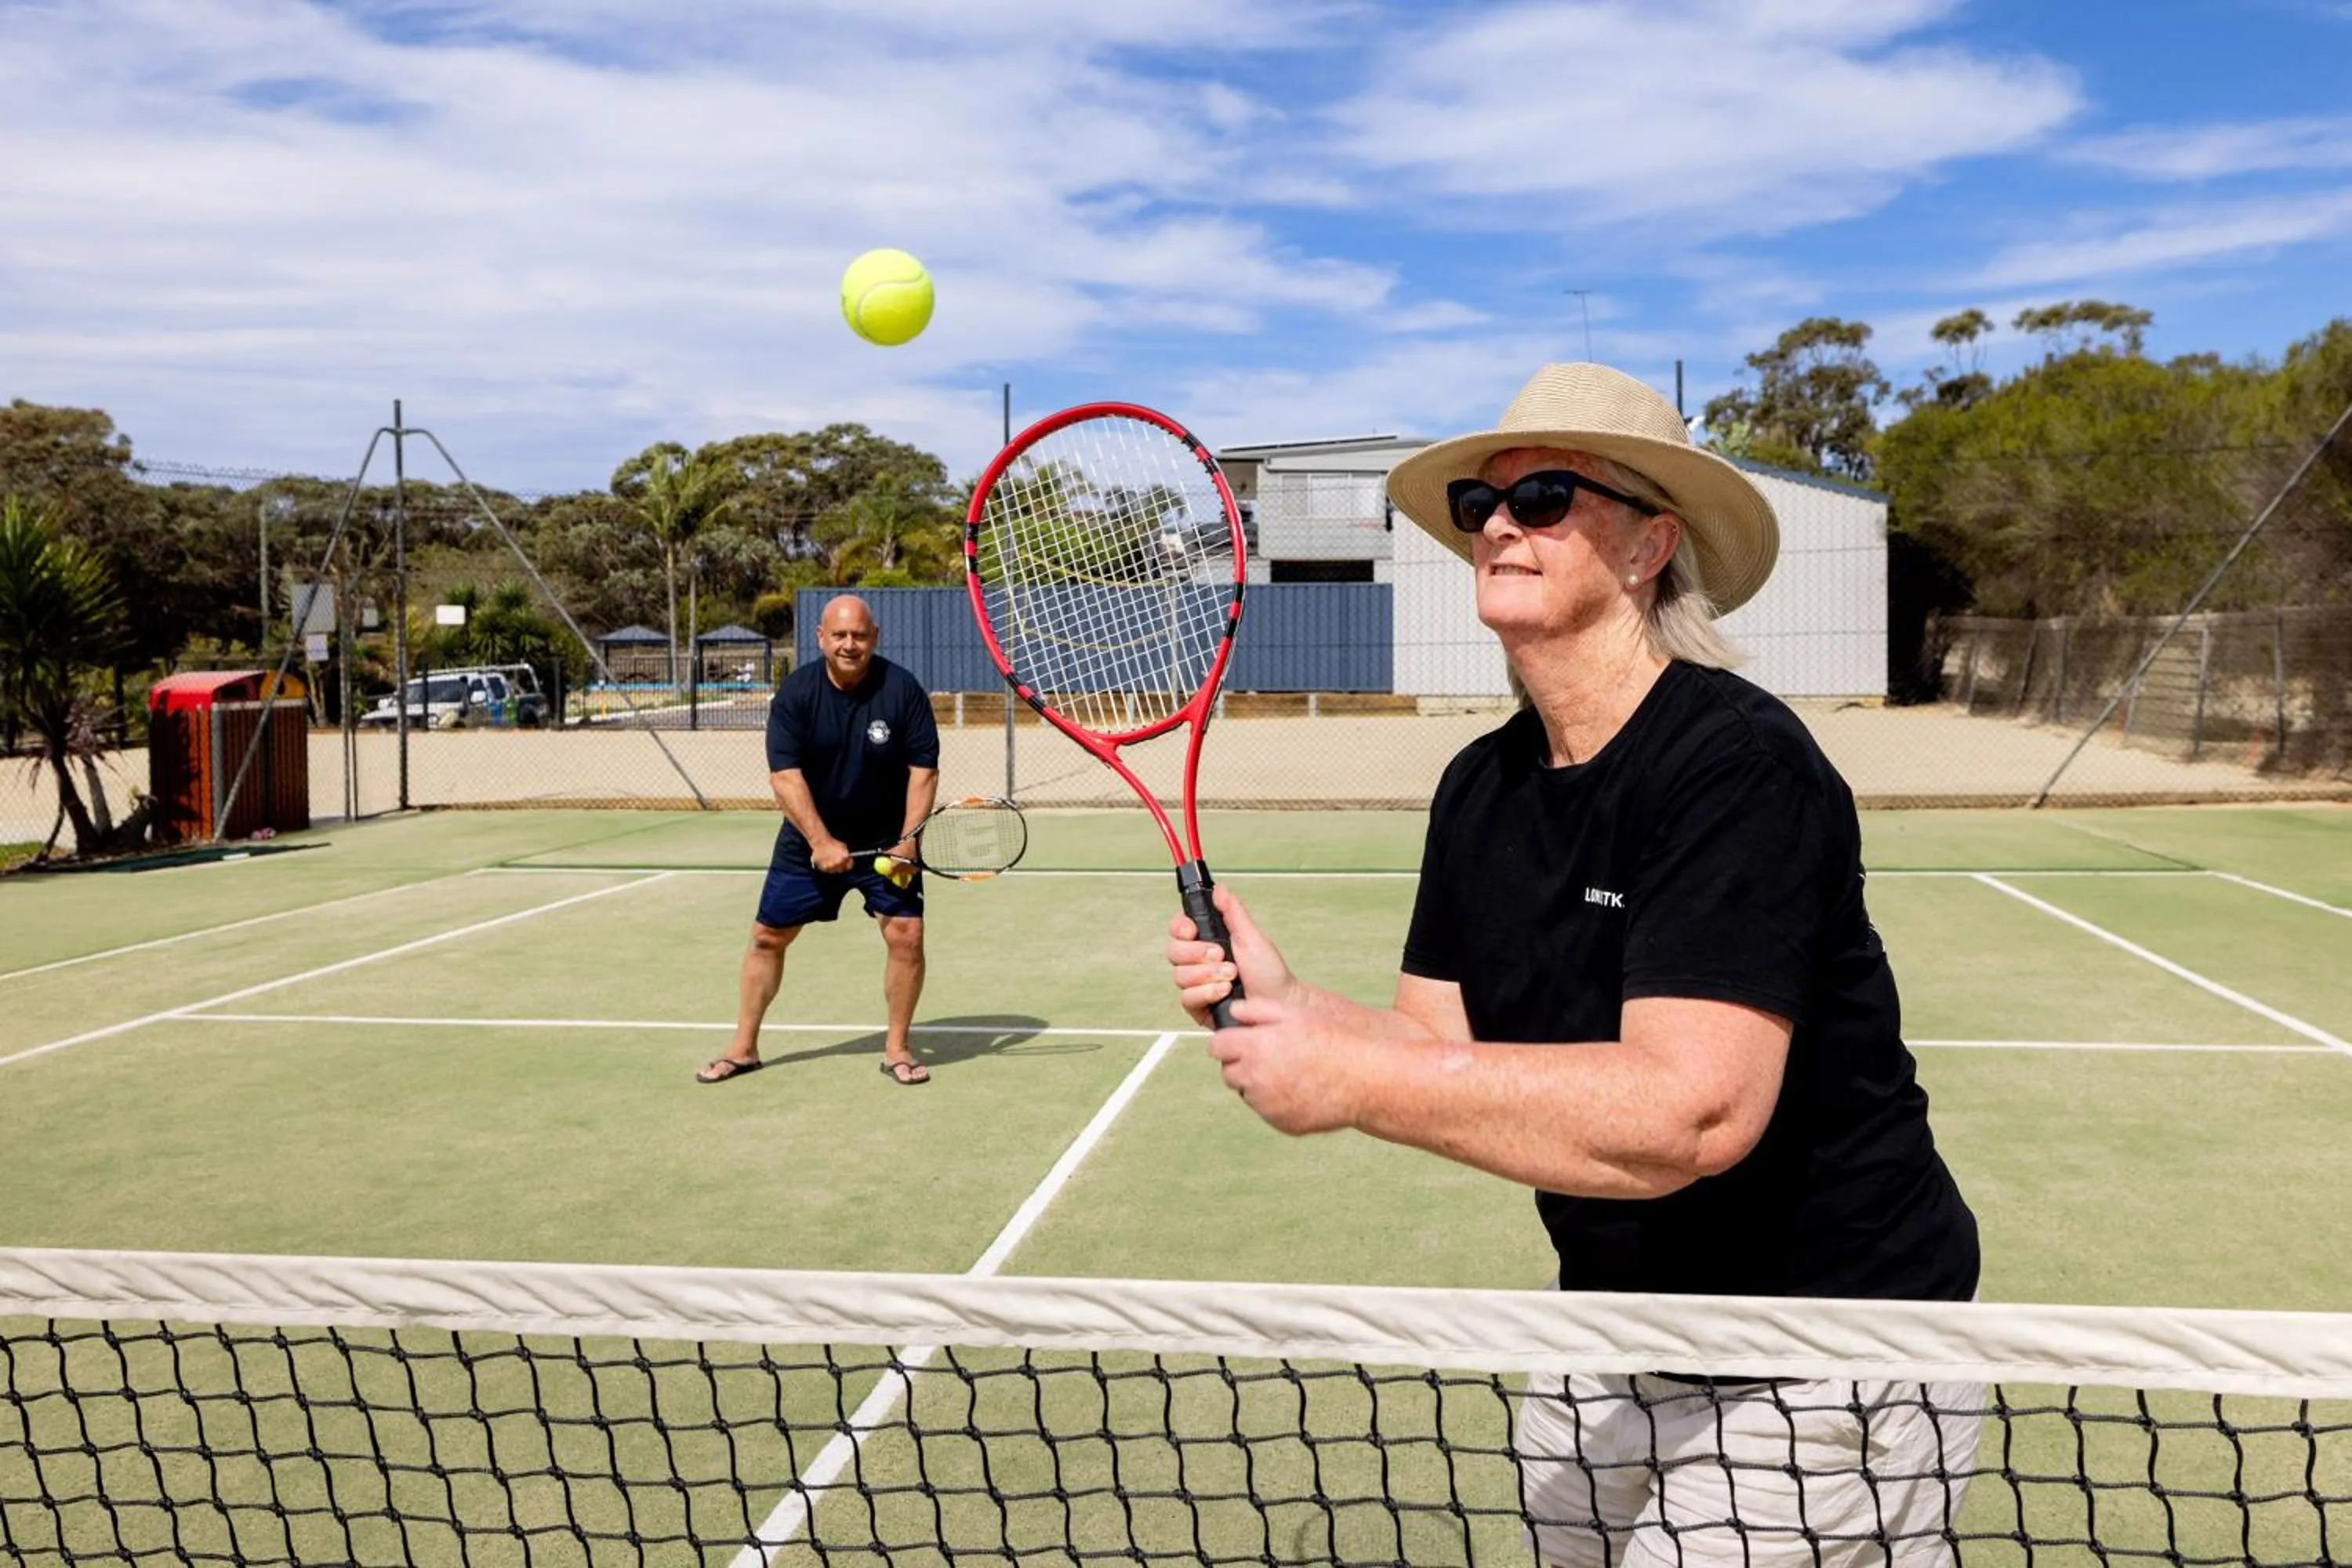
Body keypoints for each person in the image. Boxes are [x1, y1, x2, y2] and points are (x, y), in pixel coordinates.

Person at [1166, 364, 1984, 1566]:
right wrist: (1302, 1010)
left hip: (1827, 1346)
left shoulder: (1738, 765)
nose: (1499, 521)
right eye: (1481, 505)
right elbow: (1435, 1047)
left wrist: (1348, 1084)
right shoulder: (1480, 787)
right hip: (1613, 1329)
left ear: (1651, 546)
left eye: (1547, 495)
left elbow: (1693, 1111)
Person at [698, 594, 941, 1087]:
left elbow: (924, 771)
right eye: (840, 635)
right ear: (821, 638)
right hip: (809, 843)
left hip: (885, 843)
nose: (849, 645)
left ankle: (897, 1048)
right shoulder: (797, 694)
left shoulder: (903, 689)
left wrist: (908, 843)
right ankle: (743, 1048)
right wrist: (821, 841)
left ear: (875, 637)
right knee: (768, 937)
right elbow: (785, 777)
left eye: (859, 635)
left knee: (906, 936)